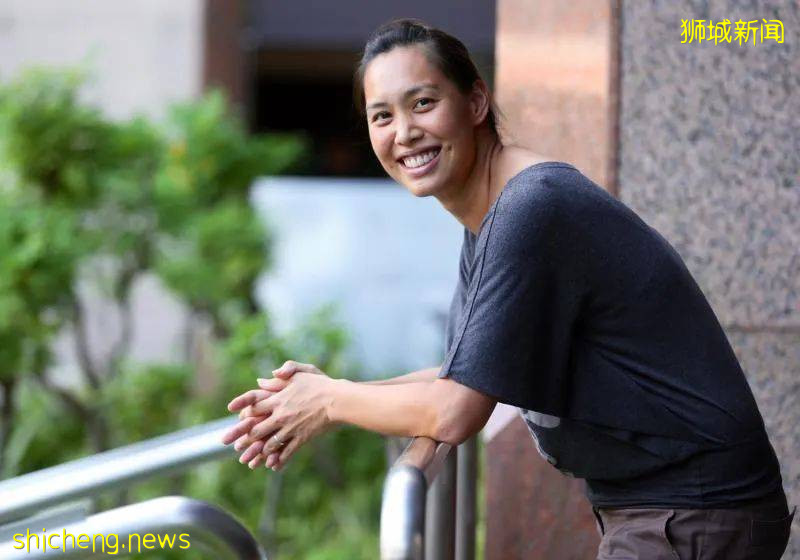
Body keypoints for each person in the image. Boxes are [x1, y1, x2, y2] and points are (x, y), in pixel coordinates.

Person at [221, 18, 794, 559]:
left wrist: (330, 401)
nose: (405, 132)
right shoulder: (496, 212)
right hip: (673, 508)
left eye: (423, 103)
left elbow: (455, 411)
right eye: (382, 116)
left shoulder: (530, 208)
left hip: (694, 510)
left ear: (476, 102)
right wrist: (328, 390)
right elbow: (464, 374)